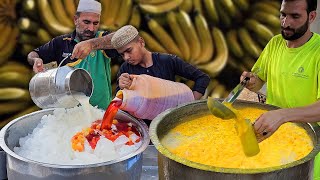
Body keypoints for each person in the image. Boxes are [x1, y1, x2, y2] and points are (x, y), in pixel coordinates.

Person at [240, 0, 320, 178]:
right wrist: (252, 81)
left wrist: (282, 115)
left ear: (312, 17)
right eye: (283, 14)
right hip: (270, 137)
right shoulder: (275, 43)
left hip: (308, 146)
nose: (286, 22)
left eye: (295, 16)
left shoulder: (318, 52)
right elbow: (259, 79)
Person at [110, 25, 210, 125]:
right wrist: (122, 87)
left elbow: (202, 78)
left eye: (129, 50)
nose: (126, 57)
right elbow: (120, 102)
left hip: (171, 125)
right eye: (122, 54)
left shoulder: (167, 61)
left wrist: (190, 104)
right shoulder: (125, 69)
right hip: (143, 129)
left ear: (141, 42)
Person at [27, 0, 118, 109]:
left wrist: (92, 44)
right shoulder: (61, 42)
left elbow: (125, 36)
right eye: (86, 22)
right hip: (69, 115)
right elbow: (33, 53)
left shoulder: (102, 39)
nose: (91, 28)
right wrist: (36, 60)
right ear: (75, 20)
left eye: (95, 23)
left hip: (100, 113)